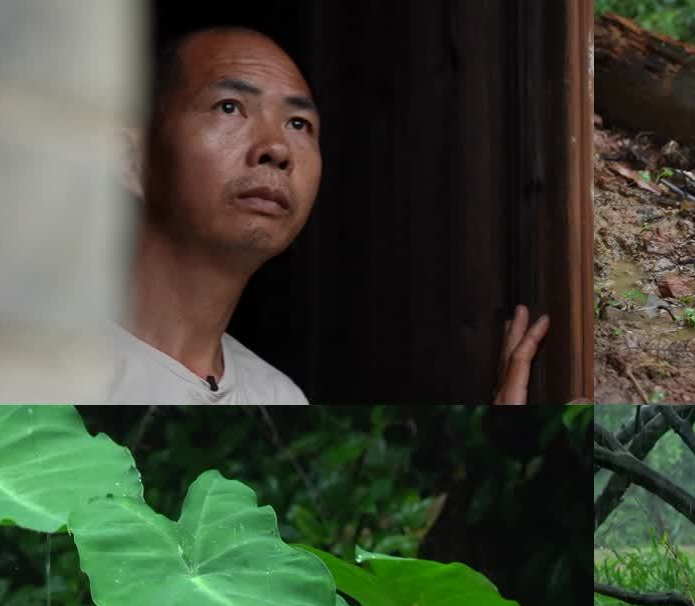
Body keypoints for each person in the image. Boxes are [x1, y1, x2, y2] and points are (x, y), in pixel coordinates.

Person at [109, 26, 548, 404]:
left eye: (299, 124)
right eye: (230, 107)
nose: (276, 149)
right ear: (134, 159)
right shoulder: (50, 360)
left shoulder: (279, 396)